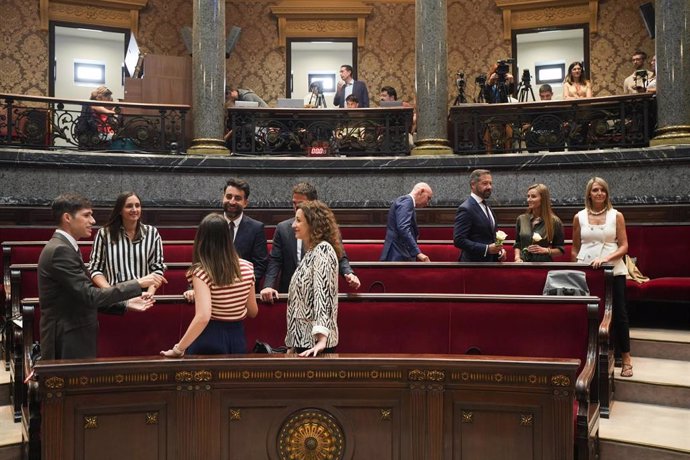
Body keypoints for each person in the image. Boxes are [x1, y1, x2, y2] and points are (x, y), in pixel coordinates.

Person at [38, 193, 166, 360]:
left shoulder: (65, 247)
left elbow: (81, 298)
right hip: (67, 339)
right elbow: (90, 296)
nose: (92, 221)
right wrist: (138, 282)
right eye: (86, 215)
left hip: (73, 335)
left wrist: (125, 305)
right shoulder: (60, 250)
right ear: (67, 218)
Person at [161, 214, 258, 357]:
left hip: (209, 337)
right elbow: (253, 311)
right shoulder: (248, 267)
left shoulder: (201, 272)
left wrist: (178, 349)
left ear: (202, 239)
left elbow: (203, 316)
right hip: (237, 338)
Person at [571, 177, 633, 377]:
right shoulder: (579, 216)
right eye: (595, 190)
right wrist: (575, 270)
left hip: (613, 269)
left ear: (607, 193)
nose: (599, 193)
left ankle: (625, 358)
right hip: (587, 271)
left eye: (603, 190)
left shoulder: (616, 215)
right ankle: (591, 357)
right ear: (589, 193)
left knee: (620, 314)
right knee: (590, 315)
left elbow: (624, 246)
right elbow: (575, 247)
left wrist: (606, 259)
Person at [260, 182, 360, 302]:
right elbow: (275, 260)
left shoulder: (326, 229)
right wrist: (268, 286)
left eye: (300, 204)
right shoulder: (284, 228)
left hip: (318, 294)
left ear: (313, 204)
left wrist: (348, 273)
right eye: (294, 203)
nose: (296, 207)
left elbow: (340, 256)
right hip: (290, 294)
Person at [285, 200, 342, 357]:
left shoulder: (323, 250)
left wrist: (322, 340)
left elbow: (323, 295)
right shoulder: (311, 252)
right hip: (303, 342)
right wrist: (292, 343)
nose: (293, 225)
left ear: (313, 224)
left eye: (298, 220)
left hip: (316, 346)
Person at [88, 192, 166, 299]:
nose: (134, 209)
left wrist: (149, 294)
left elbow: (157, 269)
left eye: (137, 206)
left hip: (143, 295)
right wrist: (111, 293)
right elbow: (95, 269)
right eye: (129, 206)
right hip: (115, 295)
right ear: (120, 210)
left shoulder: (152, 233)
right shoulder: (105, 234)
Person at [221, 178, 268, 282]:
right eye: (228, 197)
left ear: (245, 203)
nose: (232, 202)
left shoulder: (256, 228)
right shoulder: (210, 225)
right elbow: (200, 261)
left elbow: (260, 265)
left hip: (244, 289)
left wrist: (241, 284)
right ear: (222, 197)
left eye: (237, 198)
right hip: (213, 287)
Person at [454, 169, 506, 262]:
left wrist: (499, 251)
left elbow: (490, 237)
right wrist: (486, 249)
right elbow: (459, 240)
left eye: (490, 183)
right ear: (473, 185)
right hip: (473, 266)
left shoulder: (487, 207)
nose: (489, 187)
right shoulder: (466, 208)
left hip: (490, 264)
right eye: (485, 183)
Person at [380, 183, 433, 262]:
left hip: (399, 252)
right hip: (397, 254)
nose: (427, 203)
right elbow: (403, 228)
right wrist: (418, 253)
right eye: (428, 198)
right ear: (421, 191)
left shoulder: (407, 202)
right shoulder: (407, 202)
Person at [513, 184, 565, 262]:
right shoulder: (521, 219)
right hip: (523, 264)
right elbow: (518, 244)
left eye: (533, 196)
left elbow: (560, 250)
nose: (529, 199)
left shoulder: (555, 222)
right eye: (528, 196)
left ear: (543, 199)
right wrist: (517, 258)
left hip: (543, 265)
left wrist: (546, 250)